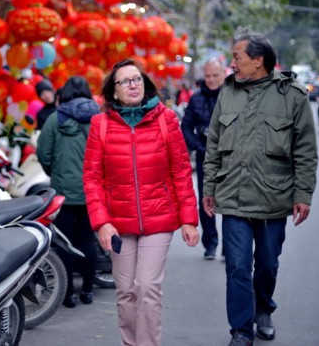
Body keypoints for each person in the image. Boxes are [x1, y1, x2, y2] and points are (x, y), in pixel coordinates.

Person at [202, 33, 318, 346]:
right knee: (237, 266)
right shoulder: (228, 92)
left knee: (267, 263)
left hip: (274, 195)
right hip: (234, 195)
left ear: (258, 60)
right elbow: (213, 143)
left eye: (237, 56)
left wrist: (303, 195)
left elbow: (305, 149)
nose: (232, 63)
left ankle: (264, 309)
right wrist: (209, 186)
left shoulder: (292, 95)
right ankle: (241, 330)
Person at [83, 58, 199, 346]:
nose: (132, 84)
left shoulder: (166, 119)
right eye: (124, 81)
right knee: (125, 291)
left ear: (144, 85)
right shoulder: (101, 125)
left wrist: (189, 219)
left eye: (137, 79)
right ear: (114, 92)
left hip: (159, 216)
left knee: (147, 287)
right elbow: (93, 178)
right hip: (118, 221)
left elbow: (181, 171)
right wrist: (102, 222)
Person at [36, 76, 100, 308]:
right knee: (87, 240)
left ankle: (68, 295)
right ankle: (88, 291)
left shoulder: (55, 119)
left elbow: (43, 152)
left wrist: (55, 172)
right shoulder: (99, 119)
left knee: (65, 242)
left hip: (63, 191)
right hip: (92, 191)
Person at [181, 58, 226, 259]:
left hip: (230, 159)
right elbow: (186, 127)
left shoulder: (233, 96)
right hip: (205, 157)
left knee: (231, 202)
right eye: (207, 76)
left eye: (215, 75)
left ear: (224, 74)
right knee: (206, 200)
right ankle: (210, 243)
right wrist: (200, 148)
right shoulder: (196, 98)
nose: (211, 80)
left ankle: (231, 244)